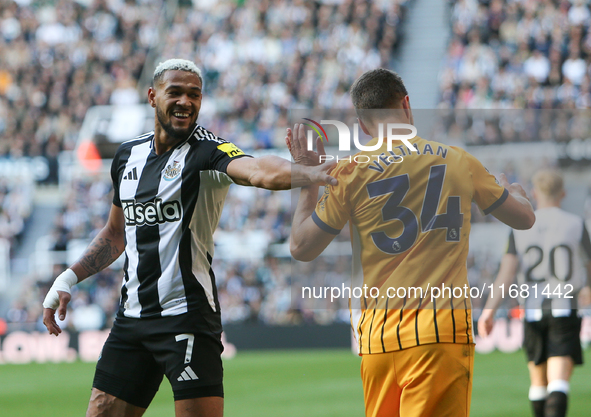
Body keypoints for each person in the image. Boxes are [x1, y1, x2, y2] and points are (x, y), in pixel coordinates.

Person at [42, 58, 336, 417]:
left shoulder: (207, 152)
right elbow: (115, 234)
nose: (185, 101)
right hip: (131, 320)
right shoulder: (126, 156)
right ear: (152, 96)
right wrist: (68, 277)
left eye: (194, 94)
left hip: (188, 319)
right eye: (175, 92)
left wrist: (306, 172)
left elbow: (258, 170)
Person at [288, 68, 535, 417]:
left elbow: (301, 247)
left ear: (361, 124)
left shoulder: (348, 172)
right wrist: (515, 194)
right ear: (406, 104)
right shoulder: (458, 160)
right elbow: (523, 219)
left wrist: (307, 177)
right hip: (440, 336)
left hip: (377, 342)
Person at [478, 169, 591, 417]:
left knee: (538, 384)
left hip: (531, 310)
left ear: (536, 194)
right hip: (564, 307)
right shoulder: (575, 224)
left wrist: (488, 312)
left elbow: (506, 275)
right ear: (563, 193)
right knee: (559, 382)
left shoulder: (520, 226)